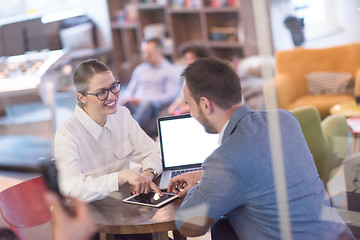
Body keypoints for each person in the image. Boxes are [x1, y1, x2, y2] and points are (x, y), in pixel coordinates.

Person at [167, 58, 354, 239]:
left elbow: (189, 226)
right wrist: (202, 176)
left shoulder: (223, 161)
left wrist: (198, 188)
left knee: (221, 226)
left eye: (190, 105)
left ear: (205, 104)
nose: (190, 113)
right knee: (224, 228)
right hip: (338, 235)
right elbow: (260, 165)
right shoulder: (284, 120)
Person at [54, 59, 163, 203]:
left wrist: (147, 174)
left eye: (114, 87)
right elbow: (72, 190)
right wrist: (121, 176)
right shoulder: (68, 134)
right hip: (87, 214)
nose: (112, 96)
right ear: (82, 98)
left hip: (121, 204)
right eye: (101, 92)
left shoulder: (121, 115)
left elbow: (153, 151)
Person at [121, 38, 180, 131]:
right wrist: (128, 98)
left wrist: (143, 100)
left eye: (149, 53)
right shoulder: (140, 69)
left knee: (146, 103)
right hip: (135, 103)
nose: (145, 56)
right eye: (143, 52)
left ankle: (130, 132)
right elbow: (130, 89)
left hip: (153, 105)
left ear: (159, 52)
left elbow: (170, 96)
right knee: (118, 98)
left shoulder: (170, 71)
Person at [168, 41, 214, 115]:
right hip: (189, 110)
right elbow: (182, 96)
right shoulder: (188, 76)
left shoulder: (210, 78)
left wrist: (187, 108)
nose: (189, 62)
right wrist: (175, 105)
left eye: (192, 58)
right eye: (187, 59)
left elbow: (210, 103)